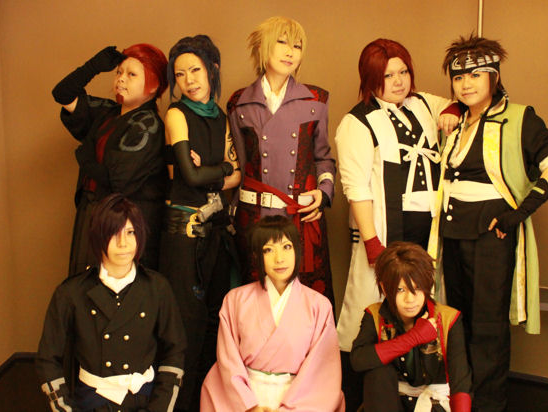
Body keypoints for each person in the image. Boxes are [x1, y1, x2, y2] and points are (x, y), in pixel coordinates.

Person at [427, 35, 548, 412]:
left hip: (492, 232)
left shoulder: (520, 117)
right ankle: (461, 398)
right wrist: (451, 109)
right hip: (452, 232)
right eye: (459, 77)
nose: (466, 84)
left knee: (488, 326)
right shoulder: (457, 121)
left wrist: (520, 212)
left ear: (493, 76)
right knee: (456, 319)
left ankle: (489, 405)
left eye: (476, 75)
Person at [334, 38, 459, 409]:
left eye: (403, 72)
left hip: (427, 231)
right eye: (388, 76)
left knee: (424, 302)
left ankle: (424, 392)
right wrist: (372, 242)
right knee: (371, 308)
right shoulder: (356, 122)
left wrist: (453, 108)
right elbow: (356, 187)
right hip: (384, 232)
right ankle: (362, 397)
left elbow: (458, 102)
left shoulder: (423, 103)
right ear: (370, 78)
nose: (399, 81)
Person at [36, 193, 186, 411]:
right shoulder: (71, 293)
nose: (123, 243)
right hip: (92, 403)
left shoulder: (157, 287)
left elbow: (175, 350)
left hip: (146, 401)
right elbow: (47, 360)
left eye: (130, 232)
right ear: (98, 237)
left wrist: (160, 406)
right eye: (114, 233)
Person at [227, 16, 337, 304]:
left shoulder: (316, 100)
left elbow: (324, 158)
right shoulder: (239, 103)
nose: (291, 52)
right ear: (262, 47)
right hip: (254, 216)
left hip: (300, 216)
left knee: (305, 301)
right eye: (282, 43)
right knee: (256, 299)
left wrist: (323, 193)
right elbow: (240, 165)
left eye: (297, 46)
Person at [158, 35, 241, 412]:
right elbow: (189, 177)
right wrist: (220, 168)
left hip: (217, 231)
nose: (189, 80)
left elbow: (237, 176)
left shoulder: (221, 117)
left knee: (214, 321)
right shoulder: (176, 114)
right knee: (185, 326)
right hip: (184, 233)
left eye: (195, 70)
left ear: (212, 70)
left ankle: (207, 404)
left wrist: (214, 170)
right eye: (180, 74)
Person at [201, 216, 345, 411]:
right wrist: (250, 406)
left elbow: (323, 371)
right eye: (268, 250)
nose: (279, 258)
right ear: (256, 256)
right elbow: (228, 362)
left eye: (287, 247)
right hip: (243, 399)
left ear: (298, 250)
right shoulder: (235, 300)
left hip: (300, 401)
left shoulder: (319, 306)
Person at [52, 44, 169, 276]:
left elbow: (117, 181)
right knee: (84, 283)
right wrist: (93, 66)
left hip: (123, 226)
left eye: (131, 74)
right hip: (92, 212)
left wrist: (84, 157)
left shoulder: (148, 125)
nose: (121, 79)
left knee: (111, 287)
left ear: (154, 85)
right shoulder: (108, 112)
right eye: (119, 72)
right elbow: (62, 93)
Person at [351, 242, 471, 412]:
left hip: (433, 404)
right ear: (385, 287)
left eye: (417, 288)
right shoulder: (375, 315)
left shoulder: (448, 318)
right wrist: (414, 337)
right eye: (400, 290)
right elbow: (358, 360)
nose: (410, 299)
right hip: (390, 404)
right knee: (378, 373)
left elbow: (461, 382)